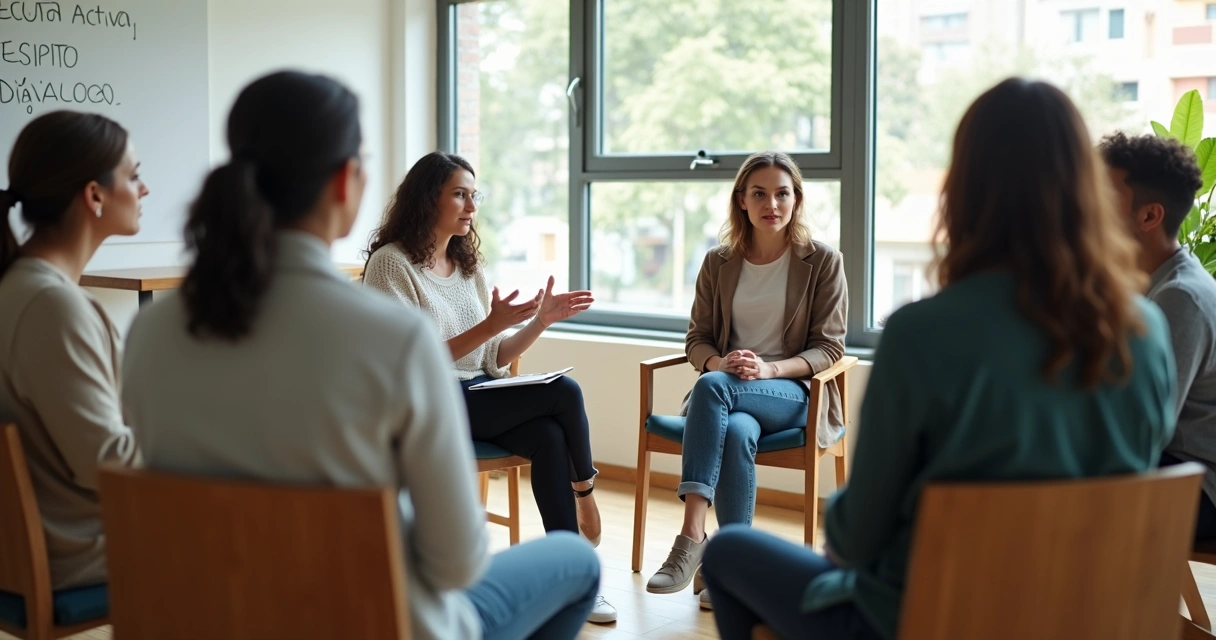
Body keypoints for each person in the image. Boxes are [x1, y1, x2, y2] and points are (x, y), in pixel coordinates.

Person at [121, 71, 599, 640]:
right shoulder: (393, 339)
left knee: (546, 436)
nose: (471, 204)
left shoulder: (150, 334)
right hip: (374, 619)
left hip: (219, 617)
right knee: (578, 561)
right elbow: (457, 563)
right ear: (346, 181)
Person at [699, 78, 1176, 640]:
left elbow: (855, 540)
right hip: (1082, 619)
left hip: (929, 617)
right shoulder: (1147, 331)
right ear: (1089, 189)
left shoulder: (921, 334)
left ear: (963, 188)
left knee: (727, 550)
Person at [362, 150, 616, 624]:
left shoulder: (467, 265)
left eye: (474, 196)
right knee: (566, 393)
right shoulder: (390, 264)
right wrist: (489, 326)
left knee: (549, 436)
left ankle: (577, 582)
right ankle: (585, 495)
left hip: (478, 394)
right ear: (427, 198)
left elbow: (492, 356)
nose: (471, 207)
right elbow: (408, 362)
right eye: (460, 195)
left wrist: (539, 322)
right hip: (429, 403)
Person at [644, 150, 847, 611]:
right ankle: (727, 574)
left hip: (793, 393)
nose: (771, 204)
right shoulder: (718, 262)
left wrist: (770, 368)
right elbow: (696, 339)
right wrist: (719, 362)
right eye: (759, 194)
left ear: (796, 199)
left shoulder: (823, 261)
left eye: (782, 194)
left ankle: (691, 535)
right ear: (741, 200)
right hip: (729, 394)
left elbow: (830, 348)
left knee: (710, 387)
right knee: (734, 430)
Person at [0, 111, 146, 590]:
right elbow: (105, 461)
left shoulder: (21, 287)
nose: (144, 190)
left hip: (48, 546)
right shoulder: (51, 306)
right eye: (134, 176)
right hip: (83, 553)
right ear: (94, 195)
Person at [1100, 131, 1216, 539]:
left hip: (1197, 486)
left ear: (1149, 216)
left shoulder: (1180, 297)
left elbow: (1143, 429)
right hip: (1170, 469)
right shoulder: (1148, 283)